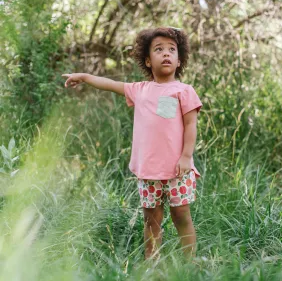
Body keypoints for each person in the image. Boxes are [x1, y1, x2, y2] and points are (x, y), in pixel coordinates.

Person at [62, 27, 202, 260]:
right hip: (148, 171)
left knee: (181, 216)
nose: (166, 54)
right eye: (159, 50)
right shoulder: (140, 90)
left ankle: (190, 263)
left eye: (171, 50)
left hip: (179, 170)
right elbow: (109, 83)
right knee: (151, 219)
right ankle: (152, 263)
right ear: (148, 61)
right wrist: (85, 77)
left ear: (179, 60)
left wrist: (186, 156)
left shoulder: (184, 91)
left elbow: (191, 126)